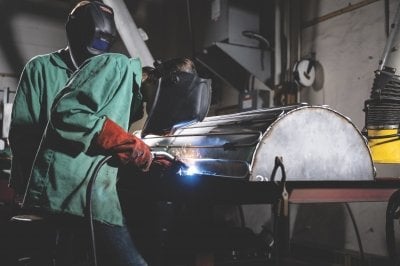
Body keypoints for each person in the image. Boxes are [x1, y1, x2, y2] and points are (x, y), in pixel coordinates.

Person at [9, 2, 154, 265]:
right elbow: (23, 133)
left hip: (93, 188)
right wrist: (30, 186)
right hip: (52, 188)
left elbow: (121, 129)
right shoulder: (41, 68)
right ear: (72, 33)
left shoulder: (110, 72)